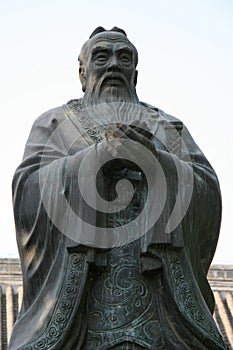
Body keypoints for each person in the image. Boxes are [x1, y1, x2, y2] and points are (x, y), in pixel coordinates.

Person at [9, 27, 228, 349]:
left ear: (135, 74)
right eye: (101, 56)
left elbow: (207, 188)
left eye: (123, 58)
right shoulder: (56, 122)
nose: (113, 64)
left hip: (158, 296)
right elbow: (27, 190)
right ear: (83, 73)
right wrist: (96, 158)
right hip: (82, 295)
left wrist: (159, 162)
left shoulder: (168, 125)